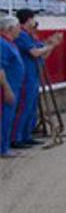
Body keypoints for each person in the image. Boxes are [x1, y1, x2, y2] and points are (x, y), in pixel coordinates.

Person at [13, 9, 62, 148]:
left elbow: (43, 54)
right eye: (33, 19)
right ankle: (17, 137)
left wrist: (51, 45)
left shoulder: (29, 36)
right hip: (26, 76)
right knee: (24, 106)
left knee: (31, 107)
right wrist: (51, 45)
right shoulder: (22, 35)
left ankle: (26, 135)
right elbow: (35, 53)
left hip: (32, 75)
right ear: (28, 20)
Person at [0, 16, 25, 158]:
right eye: (17, 27)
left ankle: (5, 146)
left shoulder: (9, 43)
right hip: (7, 87)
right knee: (5, 118)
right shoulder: (3, 43)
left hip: (13, 85)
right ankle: (2, 148)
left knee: (8, 118)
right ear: (10, 28)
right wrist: (7, 89)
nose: (19, 31)